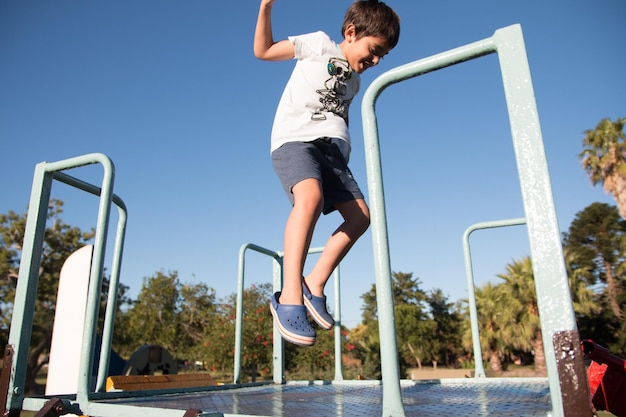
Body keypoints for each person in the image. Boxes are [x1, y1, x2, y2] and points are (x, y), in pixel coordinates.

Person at [254, 0, 400, 346]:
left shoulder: (356, 84)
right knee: (310, 199)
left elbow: (340, 119)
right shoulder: (320, 44)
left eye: (382, 56)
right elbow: (264, 51)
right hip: (296, 140)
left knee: (361, 217)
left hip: (332, 154)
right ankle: (289, 296)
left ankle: (313, 283)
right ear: (351, 33)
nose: (375, 61)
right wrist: (265, 7)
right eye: (374, 50)